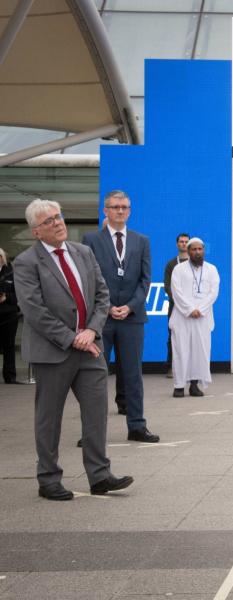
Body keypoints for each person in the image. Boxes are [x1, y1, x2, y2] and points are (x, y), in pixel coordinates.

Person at [14, 199, 134, 500]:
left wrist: (91, 331)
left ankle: (100, 475)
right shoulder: (26, 262)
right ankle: (48, 478)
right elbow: (34, 310)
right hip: (53, 352)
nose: (58, 223)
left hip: (90, 348)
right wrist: (71, 337)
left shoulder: (83, 252)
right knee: (49, 417)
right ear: (36, 232)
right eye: (49, 221)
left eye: (59, 216)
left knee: (96, 413)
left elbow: (102, 294)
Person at [82, 190, 158, 444]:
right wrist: (107, 308)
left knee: (133, 374)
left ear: (130, 211)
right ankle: (93, 432)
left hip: (132, 318)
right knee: (94, 376)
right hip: (101, 319)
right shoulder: (91, 240)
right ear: (106, 210)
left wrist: (130, 306)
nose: (120, 211)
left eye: (124, 207)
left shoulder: (141, 241)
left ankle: (137, 426)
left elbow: (145, 280)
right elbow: (88, 279)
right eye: (115, 207)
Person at [169, 238, 220, 397]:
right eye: (194, 249)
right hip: (183, 317)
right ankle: (179, 386)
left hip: (202, 318)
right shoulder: (178, 269)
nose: (197, 252)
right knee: (181, 351)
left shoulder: (211, 269)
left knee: (200, 352)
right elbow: (176, 291)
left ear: (204, 250)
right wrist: (190, 309)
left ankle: (194, 385)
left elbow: (213, 292)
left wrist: (201, 309)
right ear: (188, 251)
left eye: (200, 249)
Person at [163, 233, 190, 378]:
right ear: (177, 244)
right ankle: (171, 367)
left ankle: (192, 368)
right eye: (181, 241)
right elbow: (167, 286)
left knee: (193, 337)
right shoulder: (171, 264)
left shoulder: (195, 263)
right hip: (175, 307)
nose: (184, 244)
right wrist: (180, 301)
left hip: (193, 308)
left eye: (186, 241)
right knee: (173, 335)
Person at [0, 247, 22, 384]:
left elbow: (19, 294)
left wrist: (6, 297)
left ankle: (10, 376)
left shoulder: (12, 273)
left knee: (9, 346)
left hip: (9, 315)